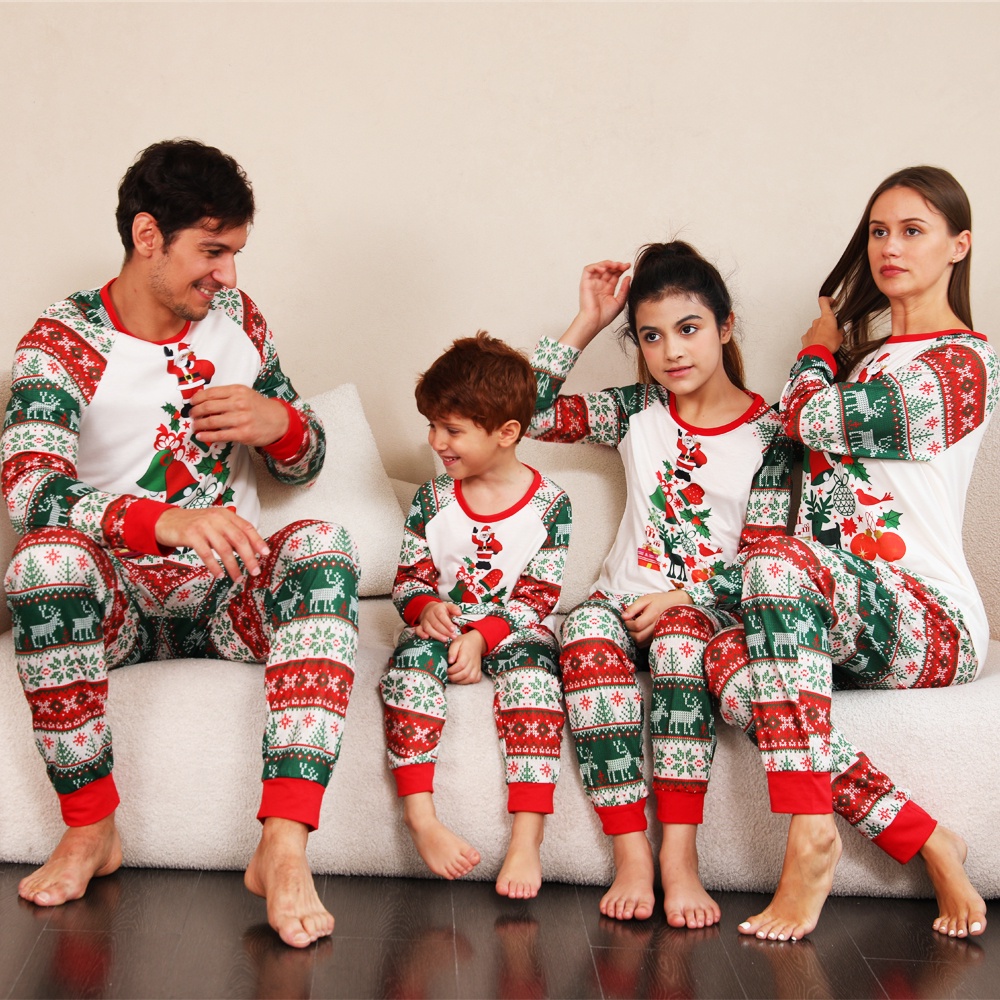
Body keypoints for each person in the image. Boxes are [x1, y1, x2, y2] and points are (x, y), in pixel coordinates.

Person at [2, 139, 359, 949]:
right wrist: (157, 519)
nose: (227, 276)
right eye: (212, 251)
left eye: (234, 253)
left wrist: (286, 425)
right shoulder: (62, 342)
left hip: (225, 599)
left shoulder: (238, 321)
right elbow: (28, 487)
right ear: (147, 234)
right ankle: (92, 829)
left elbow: (305, 464)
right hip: (117, 606)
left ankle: (283, 844)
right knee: (40, 563)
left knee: (325, 546)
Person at [701, 165, 996, 942]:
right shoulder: (854, 365)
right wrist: (703, 595)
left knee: (776, 573)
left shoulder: (968, 365)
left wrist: (814, 348)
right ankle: (920, 834)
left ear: (958, 247)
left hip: (934, 618)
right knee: (721, 653)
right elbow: (777, 515)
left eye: (913, 230)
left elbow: (810, 418)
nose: (889, 247)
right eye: (877, 231)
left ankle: (810, 841)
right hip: (848, 615)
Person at [527, 243, 796, 927]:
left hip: (700, 614)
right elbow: (520, 414)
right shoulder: (638, 410)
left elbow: (769, 558)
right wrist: (586, 322)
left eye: (688, 328)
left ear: (725, 326)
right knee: (583, 632)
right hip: (619, 600)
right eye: (651, 336)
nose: (671, 351)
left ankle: (679, 857)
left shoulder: (773, 435)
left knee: (679, 641)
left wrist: (685, 597)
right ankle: (632, 857)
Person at [380, 332, 572, 899]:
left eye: (453, 430)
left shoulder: (550, 506)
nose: (437, 441)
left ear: (507, 432)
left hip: (514, 628)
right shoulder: (432, 500)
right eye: (432, 426)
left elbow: (538, 596)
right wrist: (428, 607)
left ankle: (526, 839)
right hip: (440, 626)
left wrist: (484, 638)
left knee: (537, 688)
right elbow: (408, 580)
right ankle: (422, 820)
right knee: (407, 673)